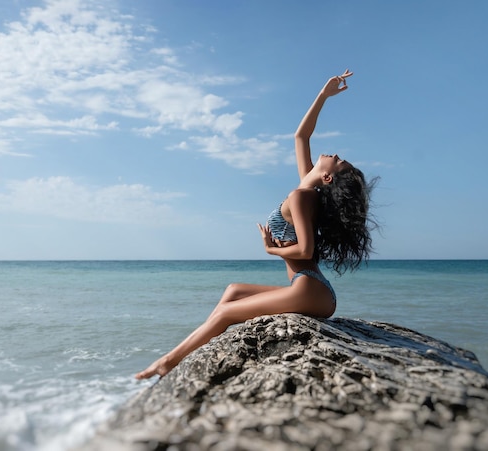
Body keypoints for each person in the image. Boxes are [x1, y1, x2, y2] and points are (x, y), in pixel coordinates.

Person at [135, 69, 375, 380]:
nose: (336, 154)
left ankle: (168, 362)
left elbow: (306, 249)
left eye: (338, 161)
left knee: (225, 313)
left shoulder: (302, 195)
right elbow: (301, 137)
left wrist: (271, 250)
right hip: (310, 288)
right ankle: (207, 351)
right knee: (234, 291)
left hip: (310, 287)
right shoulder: (307, 190)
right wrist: (323, 96)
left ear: (328, 177)